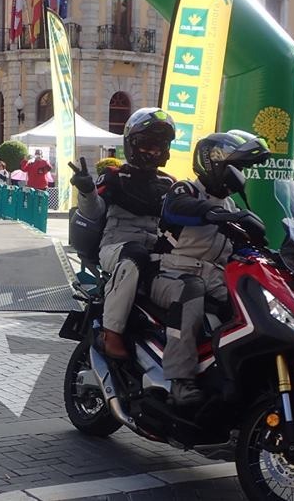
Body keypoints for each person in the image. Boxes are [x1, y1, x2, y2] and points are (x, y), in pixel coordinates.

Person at [152, 131, 267, 405]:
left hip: (211, 276)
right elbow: (178, 209)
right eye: (236, 167)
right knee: (190, 291)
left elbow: (241, 248)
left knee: (253, 306)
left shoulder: (229, 205)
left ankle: (232, 379)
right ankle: (180, 380)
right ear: (214, 162)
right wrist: (217, 215)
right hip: (169, 271)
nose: (240, 175)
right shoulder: (185, 190)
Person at [69, 107, 176, 360]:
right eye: (146, 144)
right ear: (131, 144)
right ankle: (111, 333)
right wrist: (86, 191)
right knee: (134, 254)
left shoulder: (169, 183)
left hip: (154, 254)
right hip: (116, 248)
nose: (152, 151)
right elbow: (94, 212)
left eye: (158, 146)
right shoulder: (115, 176)